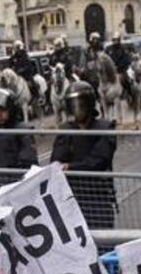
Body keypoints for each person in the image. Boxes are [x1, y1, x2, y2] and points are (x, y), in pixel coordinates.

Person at [50, 81, 118, 229]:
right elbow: (56, 159)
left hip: (97, 194)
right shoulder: (66, 129)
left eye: (80, 104)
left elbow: (99, 161)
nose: (77, 109)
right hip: (72, 194)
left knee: (101, 234)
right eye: (73, 105)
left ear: (89, 104)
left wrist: (70, 167)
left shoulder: (105, 127)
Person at [106, 32, 133, 98]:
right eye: (114, 40)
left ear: (119, 40)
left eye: (116, 40)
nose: (115, 41)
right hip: (111, 71)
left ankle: (129, 94)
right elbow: (106, 59)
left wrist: (118, 67)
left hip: (121, 70)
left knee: (127, 80)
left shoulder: (123, 49)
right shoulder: (108, 49)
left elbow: (126, 60)